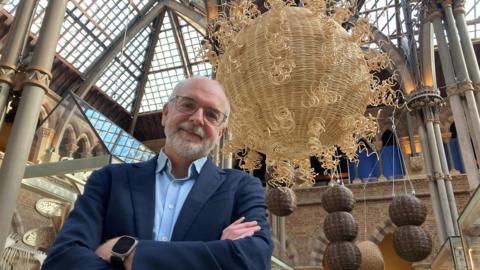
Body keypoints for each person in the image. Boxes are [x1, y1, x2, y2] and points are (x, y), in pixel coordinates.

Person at [42, 77, 273, 270]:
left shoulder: (242, 187)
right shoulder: (110, 180)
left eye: (212, 115)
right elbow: (62, 260)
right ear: (165, 113)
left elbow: (252, 259)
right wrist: (217, 253)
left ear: (220, 134)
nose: (197, 118)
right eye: (187, 105)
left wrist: (129, 252)